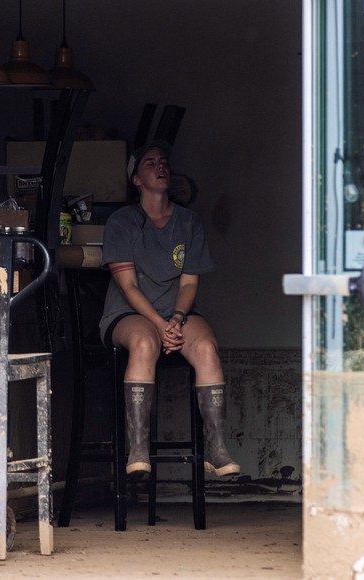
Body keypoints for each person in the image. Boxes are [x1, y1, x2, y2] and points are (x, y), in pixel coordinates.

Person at [98, 140, 240, 478]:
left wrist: (175, 319)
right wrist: (160, 324)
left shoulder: (188, 222)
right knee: (145, 343)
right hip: (130, 313)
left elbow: (189, 284)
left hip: (176, 315)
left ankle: (216, 449)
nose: (160, 167)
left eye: (164, 162)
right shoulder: (122, 221)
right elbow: (128, 285)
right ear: (136, 179)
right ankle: (138, 448)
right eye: (150, 163)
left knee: (206, 347)